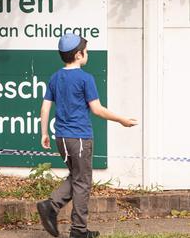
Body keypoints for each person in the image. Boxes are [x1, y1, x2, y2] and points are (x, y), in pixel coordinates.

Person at [37, 33, 137, 238]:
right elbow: (97, 110)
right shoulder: (85, 78)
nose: (87, 54)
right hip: (80, 139)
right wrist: (122, 120)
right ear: (79, 54)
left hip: (61, 139)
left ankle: (51, 205)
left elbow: (45, 107)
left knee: (76, 177)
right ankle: (78, 230)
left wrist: (44, 132)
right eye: (87, 51)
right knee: (83, 183)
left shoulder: (55, 77)